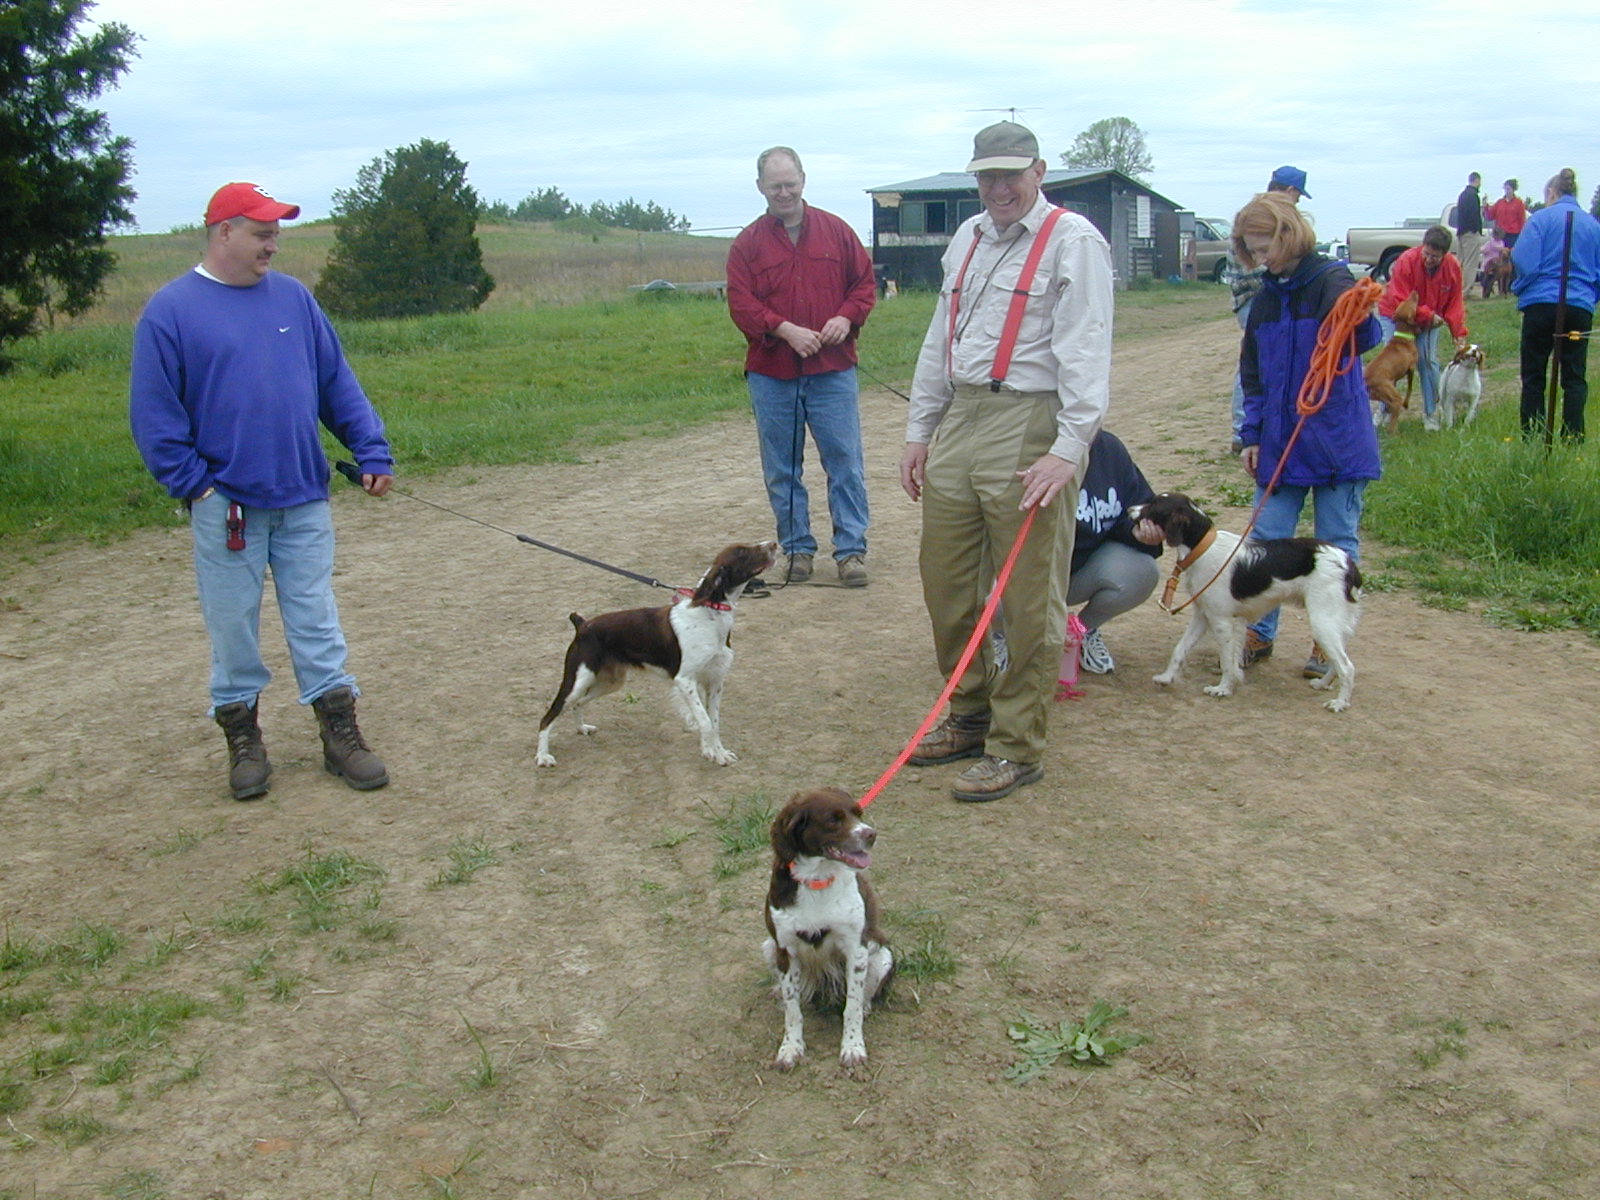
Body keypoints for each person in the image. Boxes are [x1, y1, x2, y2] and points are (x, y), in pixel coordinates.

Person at [130, 182, 394, 801]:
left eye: (276, 233)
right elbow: (154, 414)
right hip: (227, 508)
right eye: (262, 233)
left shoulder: (295, 300)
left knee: (316, 619)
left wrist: (371, 449)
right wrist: (196, 486)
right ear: (225, 231)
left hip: (303, 496)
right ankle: (243, 741)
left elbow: (337, 384)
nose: (273, 244)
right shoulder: (171, 311)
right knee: (233, 628)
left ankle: (340, 736)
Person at [898, 121, 1114, 802]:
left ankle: (1017, 746)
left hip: (1031, 418)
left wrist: (1067, 449)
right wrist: (918, 428)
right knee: (946, 579)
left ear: (1039, 172)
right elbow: (943, 335)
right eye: (986, 175)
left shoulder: (1073, 242)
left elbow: (1087, 351)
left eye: (1010, 175)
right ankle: (968, 712)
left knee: (1026, 598)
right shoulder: (968, 238)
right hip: (963, 413)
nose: (998, 188)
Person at [1232, 192, 1381, 677]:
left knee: (1337, 541)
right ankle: (1261, 631)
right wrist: (1251, 435)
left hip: (1337, 439)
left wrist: (1359, 313)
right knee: (1269, 538)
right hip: (1280, 442)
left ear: (1287, 233)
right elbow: (1251, 373)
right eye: (1251, 251)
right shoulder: (1265, 301)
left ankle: (1328, 638)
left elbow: (1366, 338)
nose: (1259, 259)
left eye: (1263, 247)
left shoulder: (1332, 281)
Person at [726, 146, 877, 587]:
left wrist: (845, 317)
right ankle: (797, 550)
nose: (784, 192)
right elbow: (741, 304)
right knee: (781, 468)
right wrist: (784, 329)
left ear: (803, 180)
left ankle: (851, 552)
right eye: (776, 186)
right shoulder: (747, 245)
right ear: (761, 188)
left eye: (790, 183)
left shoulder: (837, 232)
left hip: (833, 371)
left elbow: (864, 285)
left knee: (845, 461)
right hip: (772, 375)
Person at [1511, 167, 1600, 441]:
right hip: (1579, 307)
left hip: (1541, 305)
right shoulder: (1593, 225)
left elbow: (1523, 259)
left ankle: (1533, 436)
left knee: (1534, 372)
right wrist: (1589, 296)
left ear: (1551, 193)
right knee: (1574, 375)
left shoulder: (1540, 220)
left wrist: (1525, 288)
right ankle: (1573, 436)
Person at [1227, 167, 1310, 449]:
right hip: (1255, 297)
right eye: (1297, 195)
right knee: (1257, 362)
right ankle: (1244, 429)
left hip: (1251, 297)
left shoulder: (1253, 213)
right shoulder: (1258, 220)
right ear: (1290, 191)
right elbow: (1256, 269)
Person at [1067, 430, 1162, 674]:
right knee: (989, 585)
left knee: (1141, 570)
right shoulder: (1026, 446)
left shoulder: (1108, 448)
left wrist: (1137, 531)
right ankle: (1000, 637)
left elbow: (1134, 507)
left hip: (1078, 571)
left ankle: (1082, 630)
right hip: (1025, 575)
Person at [1377, 226, 1468, 431]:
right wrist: (1427, 315)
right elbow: (1399, 298)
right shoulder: (1406, 261)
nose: (1429, 259)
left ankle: (1431, 414)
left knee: (1428, 361)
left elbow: (1455, 302)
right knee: (1392, 362)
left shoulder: (1453, 268)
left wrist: (1458, 332)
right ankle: (1384, 409)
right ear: (1422, 246)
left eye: (1435, 257)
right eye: (1426, 253)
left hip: (1430, 320)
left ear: (1445, 255)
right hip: (1396, 314)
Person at [1453, 172, 1485, 296]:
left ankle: (1457, 289)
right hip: (1470, 233)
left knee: (1460, 262)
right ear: (1477, 180)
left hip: (1461, 232)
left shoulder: (1462, 195)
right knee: (1470, 263)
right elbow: (1473, 215)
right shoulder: (1473, 196)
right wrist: (1475, 229)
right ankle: (1465, 291)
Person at [1485, 179, 1528, 248]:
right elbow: (1490, 216)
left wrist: (1521, 235)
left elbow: (1521, 220)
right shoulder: (1499, 202)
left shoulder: (1519, 203)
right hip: (1500, 234)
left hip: (1512, 235)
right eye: (1505, 189)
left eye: (1508, 189)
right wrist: (1486, 207)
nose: (1506, 191)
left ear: (1513, 189)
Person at [1480, 230, 1509, 298]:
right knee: (1498, 279)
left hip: (1491, 265)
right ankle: (1501, 292)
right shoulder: (1501, 243)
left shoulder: (1490, 243)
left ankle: (1486, 295)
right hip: (1498, 265)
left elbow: (1482, 250)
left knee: (1487, 282)